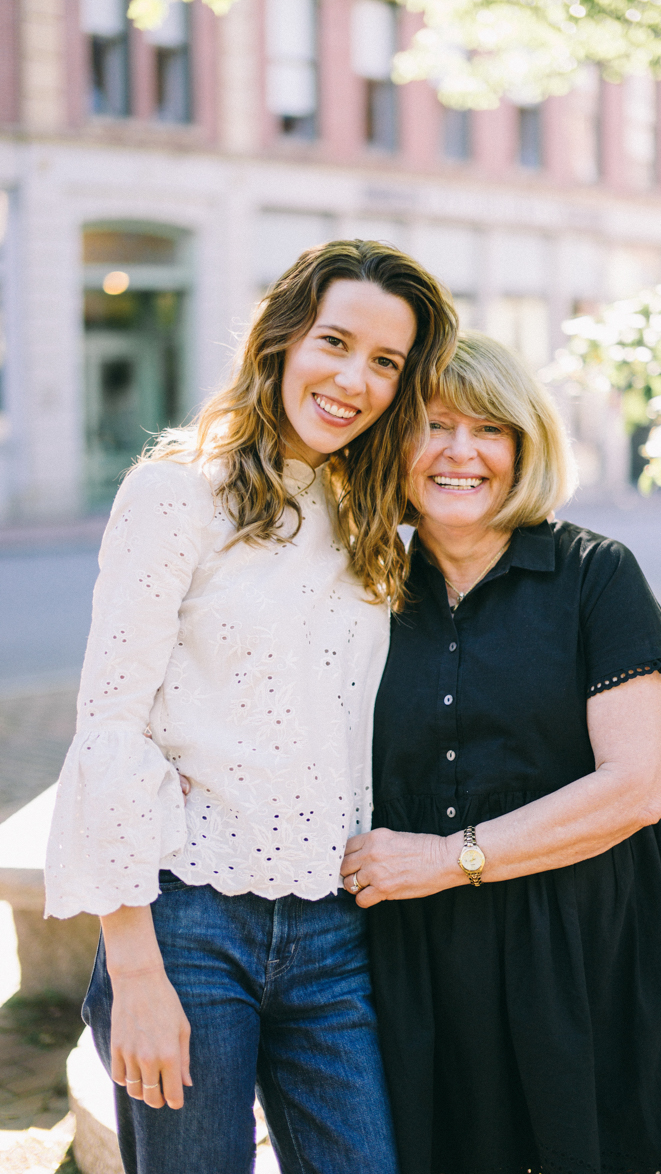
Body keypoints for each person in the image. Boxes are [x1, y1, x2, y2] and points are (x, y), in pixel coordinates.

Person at [44, 239, 458, 1174]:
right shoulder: (177, 493)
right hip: (187, 925)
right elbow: (110, 725)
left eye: (386, 362)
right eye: (336, 342)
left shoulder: (373, 520)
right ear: (281, 340)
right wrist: (137, 974)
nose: (355, 379)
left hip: (333, 928)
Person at [342, 332, 661, 1174]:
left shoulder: (596, 576)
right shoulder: (358, 591)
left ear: (525, 447)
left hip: (584, 947)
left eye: (490, 429)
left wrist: (449, 857)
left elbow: (633, 789)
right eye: (433, 425)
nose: (459, 453)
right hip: (421, 958)